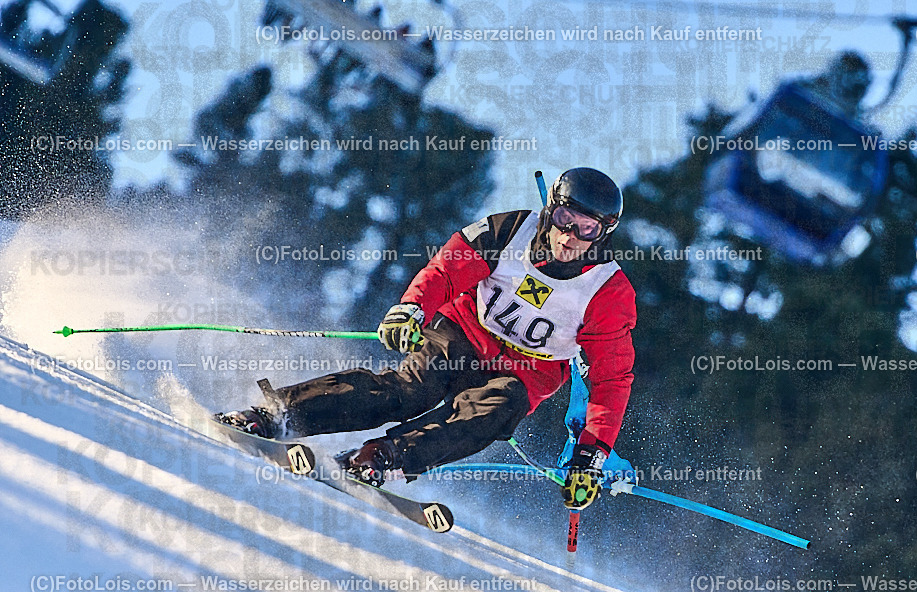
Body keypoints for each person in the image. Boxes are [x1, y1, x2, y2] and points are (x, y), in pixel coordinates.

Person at [216, 167, 636, 510]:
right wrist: (413, 307)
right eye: (565, 220)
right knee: (409, 391)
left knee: (493, 409)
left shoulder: (608, 292)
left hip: (526, 372)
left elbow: (611, 381)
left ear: (603, 233)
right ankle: (278, 414)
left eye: (587, 230)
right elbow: (448, 269)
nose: (571, 238)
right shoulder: (510, 232)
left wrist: (590, 455)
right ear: (551, 211)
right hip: (464, 332)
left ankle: (383, 457)